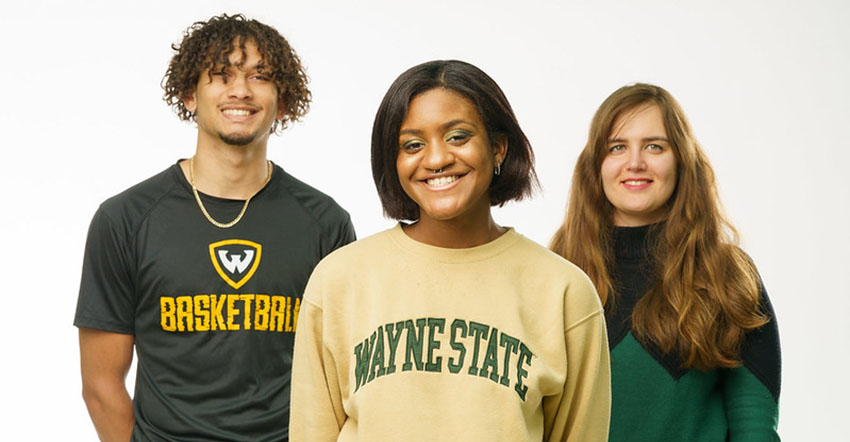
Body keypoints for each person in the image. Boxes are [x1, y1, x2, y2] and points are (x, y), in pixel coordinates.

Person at [289, 60, 610, 442]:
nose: (437, 158)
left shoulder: (564, 291)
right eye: (412, 145)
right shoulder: (338, 280)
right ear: (394, 161)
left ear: (498, 148)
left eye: (457, 136)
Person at [74, 14, 355, 441]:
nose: (240, 90)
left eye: (260, 77)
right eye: (221, 76)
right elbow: (100, 385)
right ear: (190, 93)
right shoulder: (125, 220)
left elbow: (342, 379)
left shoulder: (325, 223)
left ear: (283, 98)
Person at [550, 83, 781, 441]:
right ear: (596, 164)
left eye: (654, 146)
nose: (635, 163)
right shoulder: (556, 274)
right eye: (617, 147)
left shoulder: (727, 275)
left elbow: (754, 427)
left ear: (681, 160)